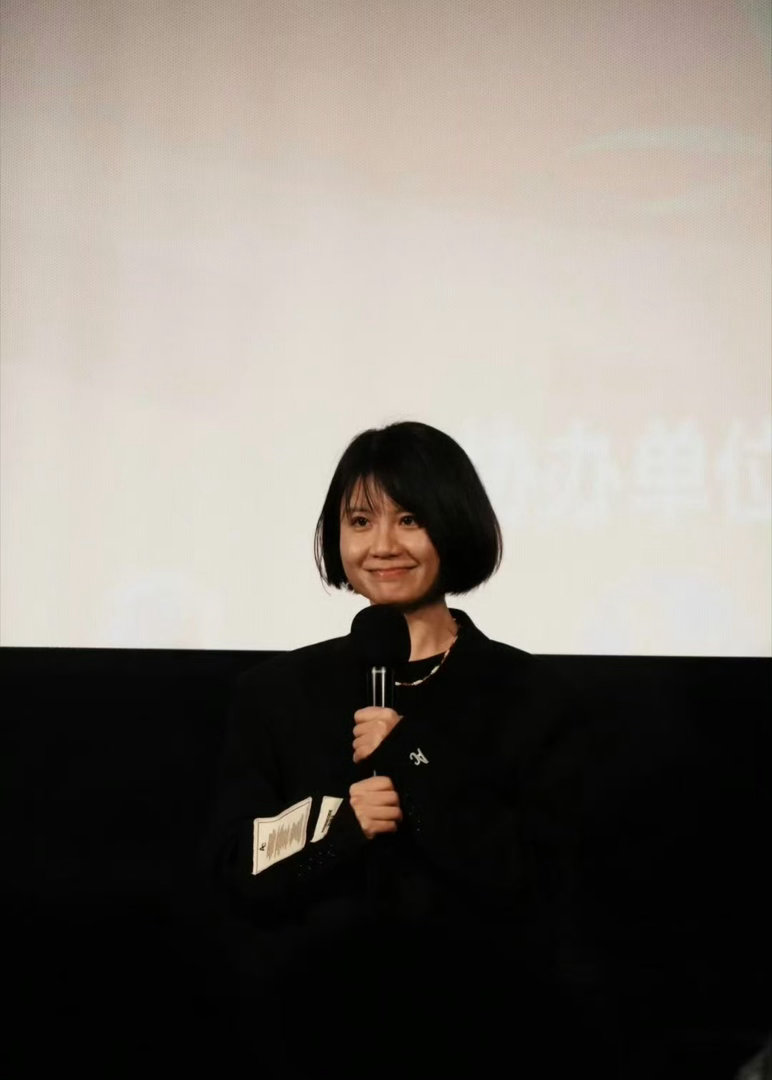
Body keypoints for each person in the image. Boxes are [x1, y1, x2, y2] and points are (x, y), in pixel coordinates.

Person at [200, 420, 609, 1078]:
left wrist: (412, 757)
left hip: (484, 1031)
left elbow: (545, 882)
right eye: (361, 522)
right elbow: (233, 870)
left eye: (410, 519)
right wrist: (342, 826)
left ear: (455, 523)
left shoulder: (529, 694)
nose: (383, 545)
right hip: (313, 1032)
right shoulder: (276, 693)